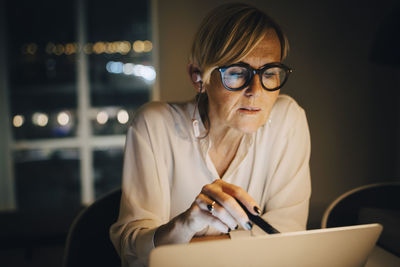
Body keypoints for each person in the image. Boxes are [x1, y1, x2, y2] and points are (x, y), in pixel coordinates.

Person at [110, 3, 311, 266]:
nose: (256, 91)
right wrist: (186, 224)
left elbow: (289, 239)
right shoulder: (155, 125)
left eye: (270, 73)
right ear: (198, 77)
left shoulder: (287, 119)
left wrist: (187, 249)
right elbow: (133, 252)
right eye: (238, 72)